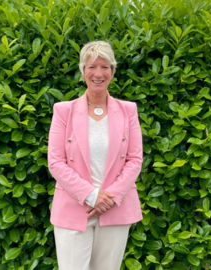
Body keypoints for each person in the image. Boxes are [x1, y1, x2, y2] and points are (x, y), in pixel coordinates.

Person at [47, 41, 143, 270]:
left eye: (105, 67)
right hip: (72, 208)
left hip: (115, 208)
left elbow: (135, 159)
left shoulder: (128, 110)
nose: (98, 73)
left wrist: (108, 199)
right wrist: (91, 195)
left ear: (112, 72)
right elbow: (56, 162)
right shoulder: (63, 111)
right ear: (82, 71)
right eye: (91, 67)